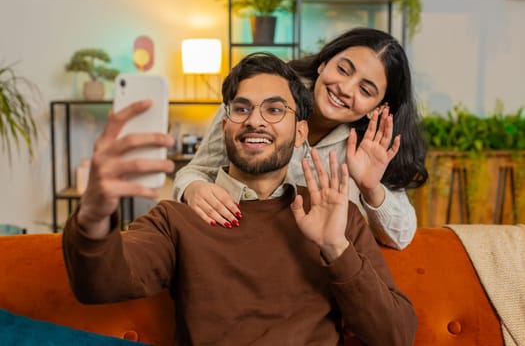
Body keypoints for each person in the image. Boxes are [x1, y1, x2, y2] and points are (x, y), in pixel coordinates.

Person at [63, 53, 417, 345]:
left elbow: (396, 335)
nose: (256, 121)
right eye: (242, 108)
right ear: (225, 125)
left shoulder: (338, 217)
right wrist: (93, 214)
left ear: (300, 133)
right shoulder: (176, 219)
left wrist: (336, 248)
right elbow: (99, 285)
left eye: (275, 110)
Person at [172, 28, 428, 250]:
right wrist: (193, 189)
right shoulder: (261, 94)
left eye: (365, 90)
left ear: (377, 107)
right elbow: (197, 171)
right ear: (323, 63)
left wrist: (370, 188)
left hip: (308, 261)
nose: (345, 88)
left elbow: (401, 236)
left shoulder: (370, 147)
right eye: (342, 69)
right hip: (237, 240)